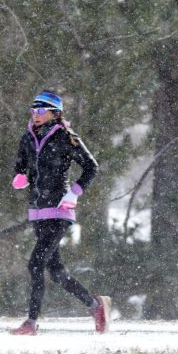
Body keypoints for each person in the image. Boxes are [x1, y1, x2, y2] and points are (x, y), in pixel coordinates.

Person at [9, 90, 110, 335]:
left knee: (35, 264)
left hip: (59, 210)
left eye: (41, 111)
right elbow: (21, 163)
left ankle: (31, 323)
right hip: (38, 211)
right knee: (56, 272)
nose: (36, 115)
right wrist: (21, 176)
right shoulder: (27, 138)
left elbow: (91, 167)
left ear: (55, 113)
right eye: (33, 111)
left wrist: (74, 192)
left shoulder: (66, 136)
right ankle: (96, 306)